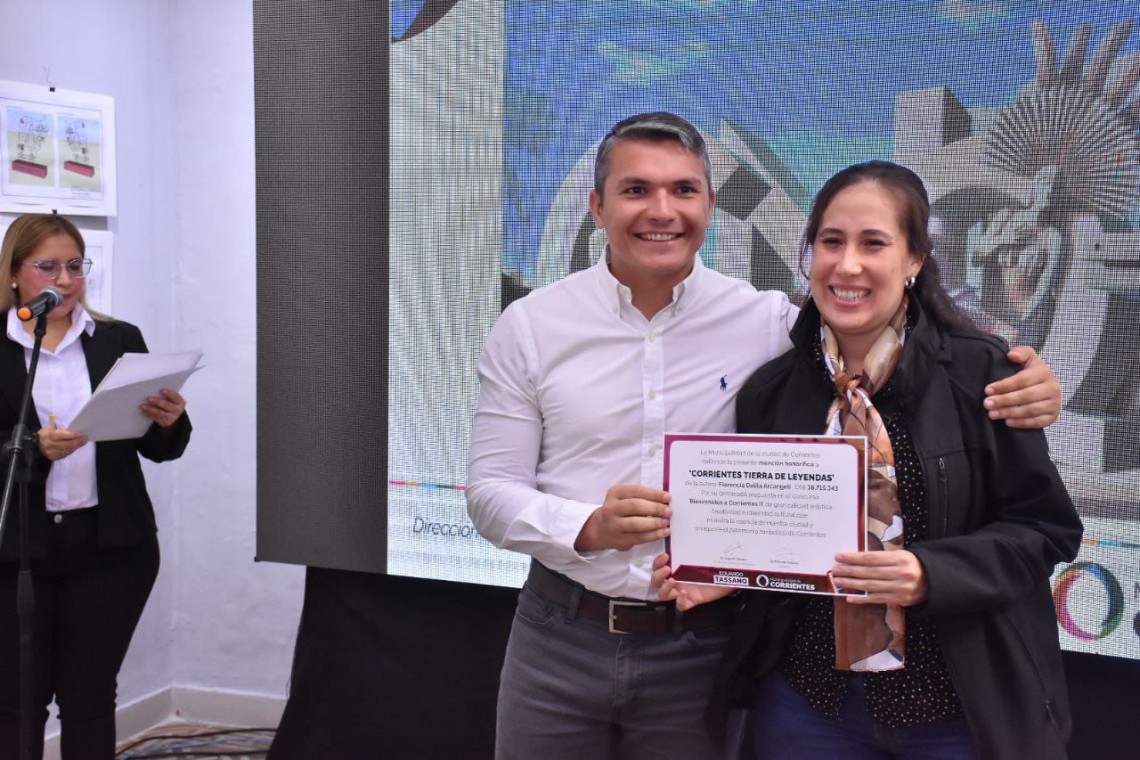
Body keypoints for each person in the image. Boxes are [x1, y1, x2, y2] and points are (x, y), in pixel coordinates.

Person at [466, 114, 1061, 760]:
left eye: (684, 190)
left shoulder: (768, 326)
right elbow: (490, 491)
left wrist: (1027, 378)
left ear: (709, 206)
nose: (661, 210)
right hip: (570, 636)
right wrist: (591, 527)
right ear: (597, 206)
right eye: (636, 189)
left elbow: (1036, 521)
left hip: (724, 655)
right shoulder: (533, 327)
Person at [654, 161, 1083, 760]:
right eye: (831, 242)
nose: (848, 265)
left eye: (874, 243)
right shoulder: (772, 391)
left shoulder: (985, 378)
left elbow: (1045, 529)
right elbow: (774, 540)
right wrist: (723, 575)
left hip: (958, 711)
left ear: (914, 260)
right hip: (809, 709)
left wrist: (931, 573)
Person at [0, 214, 191, 759]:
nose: (65, 280)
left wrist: (168, 420)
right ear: (14, 273)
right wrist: (31, 447)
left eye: (75, 266)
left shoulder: (118, 340)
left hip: (110, 550)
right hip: (17, 552)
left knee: (89, 697)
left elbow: (163, 449)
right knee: (16, 702)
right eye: (48, 267)